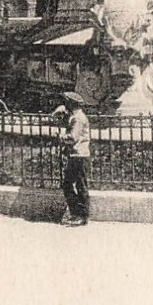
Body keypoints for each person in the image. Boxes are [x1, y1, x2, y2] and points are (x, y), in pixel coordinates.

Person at [57, 91, 91, 226]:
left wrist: (60, 136)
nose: (65, 104)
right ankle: (76, 213)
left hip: (79, 155)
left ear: (72, 103)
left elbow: (72, 138)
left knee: (79, 185)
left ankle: (81, 215)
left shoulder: (78, 118)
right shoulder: (74, 117)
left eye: (67, 102)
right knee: (70, 184)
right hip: (76, 155)